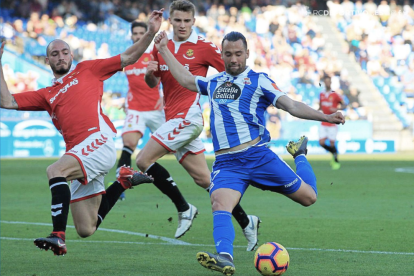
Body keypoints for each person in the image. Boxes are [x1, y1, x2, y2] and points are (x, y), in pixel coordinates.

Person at [153, 30, 345, 275]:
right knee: (219, 202)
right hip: (227, 163)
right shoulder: (213, 82)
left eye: (238, 54)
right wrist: (164, 50)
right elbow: (185, 79)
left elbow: (292, 105)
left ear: (247, 54)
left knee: (309, 198)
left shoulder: (259, 80)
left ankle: (299, 155)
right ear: (221, 55)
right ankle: (224, 257)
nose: (234, 59)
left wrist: (325, 117)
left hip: (257, 156)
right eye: (228, 54)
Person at [0, 9, 164, 256]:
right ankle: (122, 181)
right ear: (48, 61)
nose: (61, 56)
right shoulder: (46, 94)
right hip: (80, 152)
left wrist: (151, 32)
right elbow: (7, 101)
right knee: (86, 228)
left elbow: (128, 57)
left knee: (55, 170)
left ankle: (57, 235)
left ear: (71, 55)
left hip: (98, 140)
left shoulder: (88, 69)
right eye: (54, 54)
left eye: (65, 52)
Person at [137, 0, 260, 250]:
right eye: (178, 20)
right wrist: (150, 75)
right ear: (171, 20)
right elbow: (154, 83)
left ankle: (184, 208)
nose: (182, 25)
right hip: (172, 118)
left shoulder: (203, 47)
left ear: (194, 22)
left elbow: (233, 70)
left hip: (188, 117)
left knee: (142, 160)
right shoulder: (161, 44)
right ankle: (248, 222)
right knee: (207, 182)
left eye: (187, 21)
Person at [115, 21, 165, 201]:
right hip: (135, 108)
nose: (137, 36)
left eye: (141, 33)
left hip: (155, 110)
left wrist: (164, 97)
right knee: (128, 144)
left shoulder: (155, 55)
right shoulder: (127, 57)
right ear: (131, 36)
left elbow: (170, 76)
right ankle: (120, 185)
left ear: (147, 35)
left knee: (176, 148)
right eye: (135, 33)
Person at [318, 76, 346, 170]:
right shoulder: (321, 94)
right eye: (326, 82)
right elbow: (320, 106)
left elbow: (344, 104)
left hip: (333, 122)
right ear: (324, 83)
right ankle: (334, 152)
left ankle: (335, 159)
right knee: (321, 142)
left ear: (331, 83)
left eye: (329, 82)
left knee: (332, 143)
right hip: (324, 121)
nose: (327, 83)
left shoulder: (335, 94)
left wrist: (337, 109)